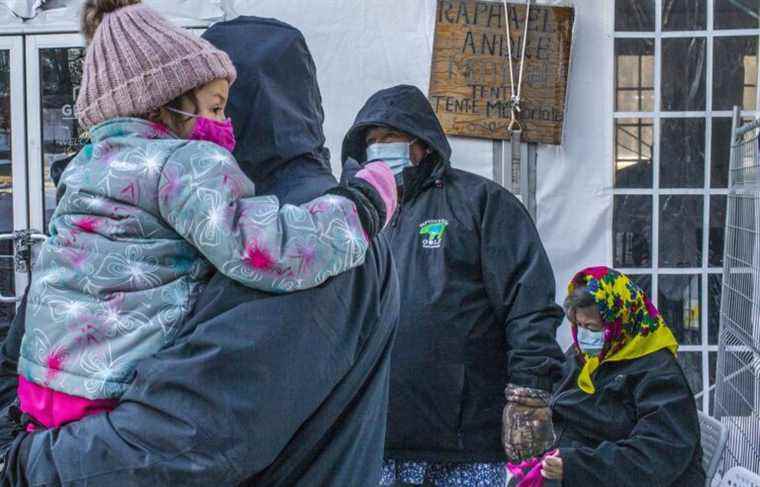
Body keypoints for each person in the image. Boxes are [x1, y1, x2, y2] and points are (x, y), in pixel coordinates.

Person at [0, 15, 400, 486]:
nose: (218, 122)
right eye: (211, 106)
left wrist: (25, 461)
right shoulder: (155, 209)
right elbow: (25, 346)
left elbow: (185, 438)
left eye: (224, 106)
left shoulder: (309, 237)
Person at [341, 85, 565, 486]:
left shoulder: (481, 203)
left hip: (463, 440)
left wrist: (529, 393)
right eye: (370, 142)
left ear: (420, 141)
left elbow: (528, 301)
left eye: (388, 137)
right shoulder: (357, 216)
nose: (378, 149)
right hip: (377, 436)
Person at [534, 266, 705, 486]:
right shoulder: (592, 356)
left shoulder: (659, 374)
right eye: (579, 326)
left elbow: (654, 458)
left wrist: (576, 465)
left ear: (620, 322)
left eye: (593, 328)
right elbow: (557, 395)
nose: (584, 335)